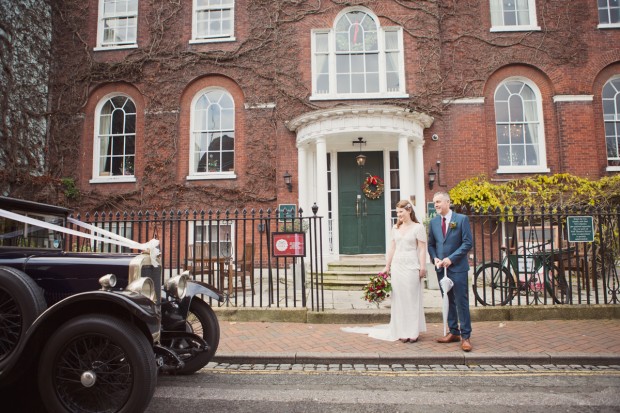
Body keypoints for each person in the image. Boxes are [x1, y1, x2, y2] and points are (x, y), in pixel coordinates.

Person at [341, 200, 427, 342]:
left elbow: (423, 249)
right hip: (397, 265)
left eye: (401, 212)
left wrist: (423, 266)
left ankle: (413, 331)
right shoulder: (395, 228)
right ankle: (401, 330)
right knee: (398, 299)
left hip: (412, 264)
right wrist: (387, 266)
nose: (399, 214)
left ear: (409, 211)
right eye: (397, 212)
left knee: (411, 298)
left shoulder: (418, 228)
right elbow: (392, 248)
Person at [427, 191, 473, 351]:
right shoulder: (433, 222)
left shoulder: (461, 219)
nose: (436, 205)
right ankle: (454, 332)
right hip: (441, 270)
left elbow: (467, 243)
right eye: (434, 203)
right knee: (448, 300)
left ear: (448, 202)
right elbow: (431, 245)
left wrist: (451, 258)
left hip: (458, 268)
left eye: (439, 202)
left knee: (461, 302)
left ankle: (465, 336)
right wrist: (435, 259)